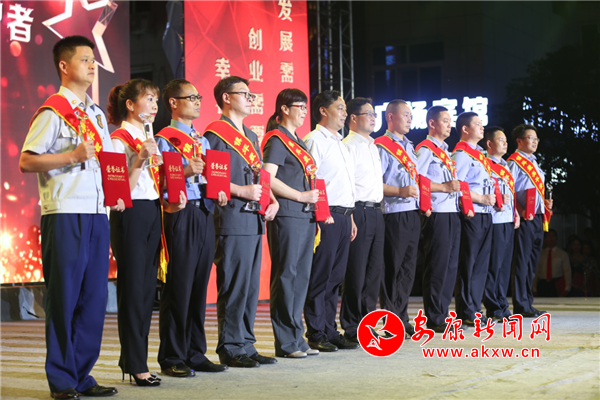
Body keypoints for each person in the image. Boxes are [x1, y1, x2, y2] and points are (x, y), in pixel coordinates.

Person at [19, 35, 121, 399]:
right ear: (64, 66)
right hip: (65, 213)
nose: (92, 65)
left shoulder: (96, 114)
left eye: (94, 59)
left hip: (97, 213)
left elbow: (105, 162)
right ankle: (62, 380)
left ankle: (81, 375)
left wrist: (118, 192)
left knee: (94, 299)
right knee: (64, 298)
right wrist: (71, 156)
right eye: (84, 59)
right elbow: (26, 160)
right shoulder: (52, 111)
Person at [107, 79, 183, 386]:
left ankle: (136, 359)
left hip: (152, 210)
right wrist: (139, 157)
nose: (153, 106)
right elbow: (118, 190)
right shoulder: (118, 139)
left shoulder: (148, 137)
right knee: (134, 289)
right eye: (148, 99)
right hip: (130, 213)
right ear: (130, 105)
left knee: (147, 290)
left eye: (155, 100)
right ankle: (136, 364)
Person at [155, 79, 228, 377]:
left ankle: (195, 352)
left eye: (199, 98)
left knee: (199, 287)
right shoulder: (165, 139)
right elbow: (158, 183)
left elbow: (211, 176)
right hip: (180, 213)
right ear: (173, 103)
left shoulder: (202, 140)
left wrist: (219, 190)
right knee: (179, 286)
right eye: (191, 98)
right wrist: (185, 171)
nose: (198, 102)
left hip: (204, 212)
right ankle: (172, 356)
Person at [205, 76, 279, 368]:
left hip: (253, 217)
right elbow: (213, 178)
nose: (250, 99)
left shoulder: (250, 135)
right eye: (244, 94)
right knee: (234, 285)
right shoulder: (216, 134)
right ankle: (230, 346)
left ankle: (246, 343)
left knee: (249, 286)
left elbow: (260, 176)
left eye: (251, 95)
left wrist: (271, 199)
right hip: (232, 216)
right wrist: (242, 191)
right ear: (226, 97)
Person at [262, 88, 321, 358]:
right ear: (284, 109)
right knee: (286, 275)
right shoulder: (277, 139)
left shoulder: (297, 141)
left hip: (305, 215)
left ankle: (297, 337)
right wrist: (299, 196)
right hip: (287, 214)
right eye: (300, 107)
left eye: (306, 107)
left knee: (301, 277)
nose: (304, 112)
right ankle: (285, 342)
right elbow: (267, 177)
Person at [303, 90, 358, 352]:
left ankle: (329, 329)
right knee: (321, 275)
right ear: (323, 111)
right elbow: (311, 180)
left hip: (344, 215)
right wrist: (318, 215)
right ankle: (316, 332)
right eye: (340, 108)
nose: (345, 113)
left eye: (345, 108)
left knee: (336, 277)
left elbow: (344, 184)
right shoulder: (314, 140)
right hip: (326, 216)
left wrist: (351, 217)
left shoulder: (340, 142)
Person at [374, 99, 421, 337]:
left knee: (408, 268)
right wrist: (401, 191)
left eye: (411, 115)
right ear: (390, 117)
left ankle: (402, 317)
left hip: (412, 211)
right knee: (392, 267)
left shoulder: (409, 146)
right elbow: (375, 183)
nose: (410, 120)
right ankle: (390, 318)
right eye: (406, 115)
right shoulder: (381, 146)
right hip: (393, 212)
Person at [340, 97, 385, 342]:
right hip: (358, 210)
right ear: (353, 118)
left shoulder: (372, 146)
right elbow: (347, 184)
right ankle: (351, 325)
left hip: (377, 211)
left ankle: (368, 322)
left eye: (374, 114)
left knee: (373, 271)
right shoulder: (349, 145)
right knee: (356, 271)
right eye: (368, 113)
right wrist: (351, 215)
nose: (373, 118)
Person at [415, 106, 461, 333]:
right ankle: (434, 317)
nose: (449, 125)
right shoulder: (425, 149)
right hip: (437, 212)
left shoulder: (445, 151)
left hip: (452, 211)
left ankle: (442, 314)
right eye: (445, 120)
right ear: (431, 123)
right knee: (437, 266)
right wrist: (443, 187)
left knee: (450, 266)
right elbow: (416, 179)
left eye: (450, 121)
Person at [452, 112, 495, 326]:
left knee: (481, 265)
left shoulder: (479, 154)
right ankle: (466, 311)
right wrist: (480, 198)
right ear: (465, 129)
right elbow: (456, 186)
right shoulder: (461, 154)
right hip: (471, 214)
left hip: (486, 213)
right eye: (477, 124)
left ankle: (475, 308)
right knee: (468, 263)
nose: (482, 127)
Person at [508, 124, 552, 317]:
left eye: (536, 139)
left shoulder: (534, 163)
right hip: (524, 217)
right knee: (522, 261)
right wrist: (520, 210)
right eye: (530, 138)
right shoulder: (514, 162)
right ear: (519, 141)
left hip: (537, 217)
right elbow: (509, 190)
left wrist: (545, 203)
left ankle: (528, 303)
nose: (534, 142)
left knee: (532, 262)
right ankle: (520, 304)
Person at [481, 126, 519, 321]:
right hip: (494, 220)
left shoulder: (505, 166)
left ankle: (503, 305)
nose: (505, 143)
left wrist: (515, 212)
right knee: (494, 265)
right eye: (501, 140)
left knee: (504, 266)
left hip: (507, 219)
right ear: (489, 143)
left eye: (506, 140)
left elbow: (510, 193)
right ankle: (493, 307)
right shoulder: (485, 164)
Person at [534, 229, 571, 297]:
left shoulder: (562, 254)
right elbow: (536, 271)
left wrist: (567, 287)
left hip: (557, 283)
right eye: (548, 236)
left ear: (556, 238)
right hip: (542, 284)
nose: (551, 238)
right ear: (545, 239)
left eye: (553, 236)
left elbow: (567, 272)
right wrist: (534, 288)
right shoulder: (540, 254)